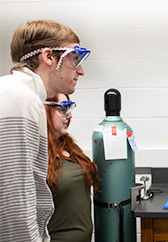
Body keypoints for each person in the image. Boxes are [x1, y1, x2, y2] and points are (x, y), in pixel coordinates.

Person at [0, 19, 90, 242]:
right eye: (75, 58)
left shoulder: (18, 94)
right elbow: (15, 202)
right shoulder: (20, 98)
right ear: (49, 57)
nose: (81, 70)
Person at [44, 93, 99, 241]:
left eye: (70, 109)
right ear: (44, 109)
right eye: (63, 109)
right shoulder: (37, 154)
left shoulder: (69, 147)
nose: (69, 116)